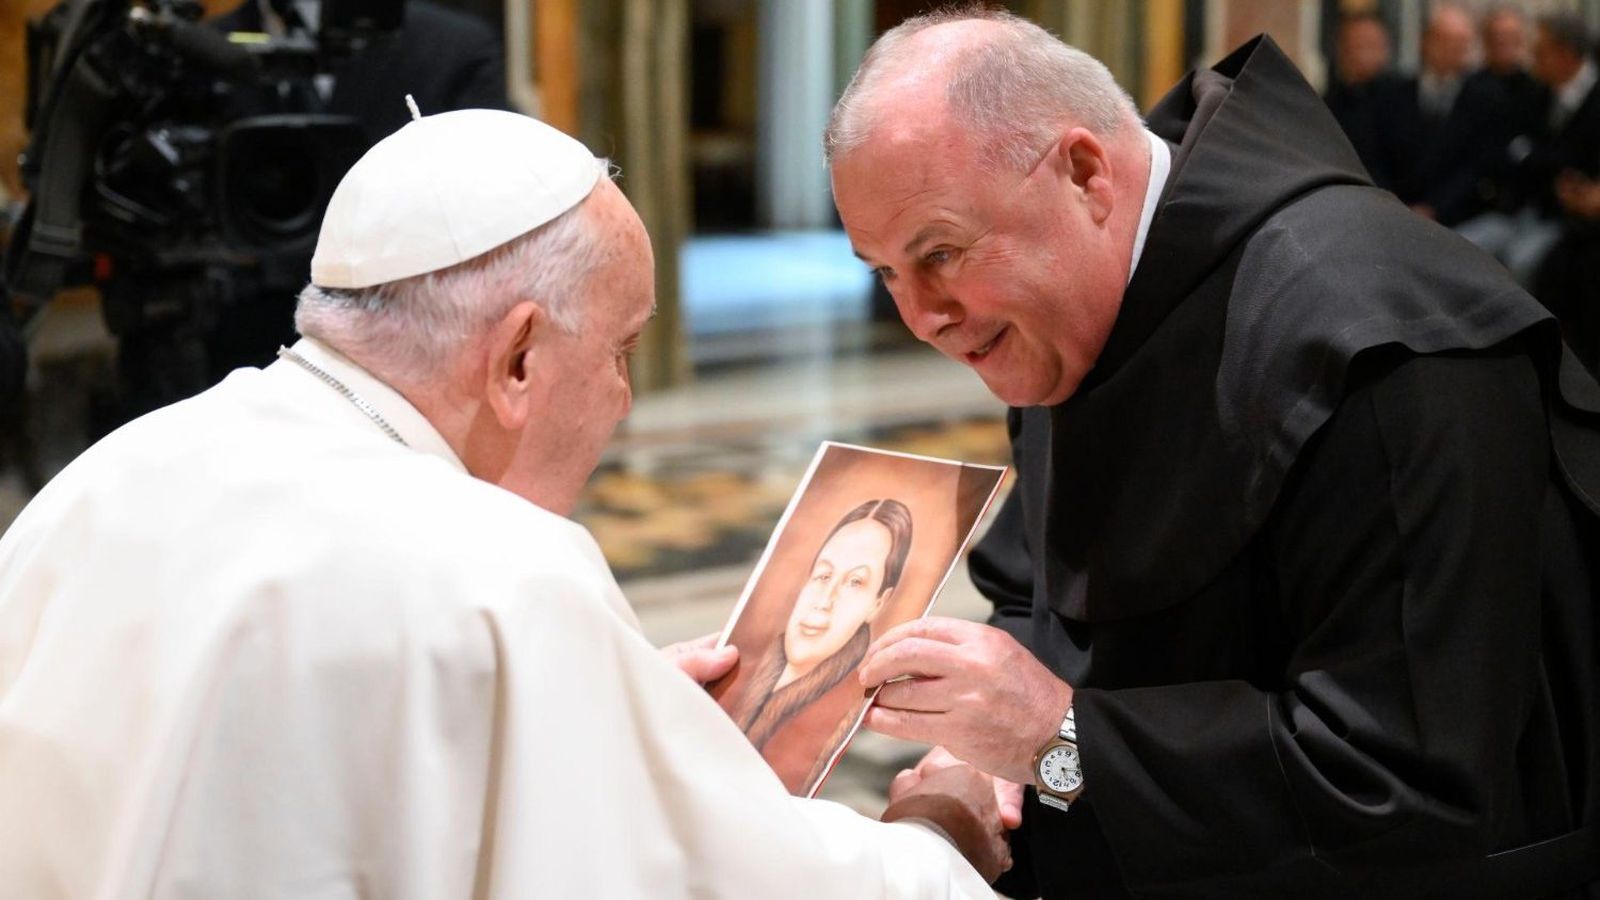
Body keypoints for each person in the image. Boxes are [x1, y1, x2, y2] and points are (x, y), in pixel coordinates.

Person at [0, 109, 1010, 896]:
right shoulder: (499, 573)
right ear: (519, 357)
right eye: (619, 352)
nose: (619, 400)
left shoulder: (108, 477)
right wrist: (938, 836)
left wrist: (590, 700)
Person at [826, 7, 1600, 898]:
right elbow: (1038, 599)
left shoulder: (1387, 346)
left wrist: (1057, 738)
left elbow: (1404, 779)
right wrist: (988, 754)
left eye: (942, 253)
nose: (921, 317)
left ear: (1084, 173)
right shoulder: (1067, 312)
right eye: (885, 270)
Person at [1458, 13, 1600, 285]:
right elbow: (1518, 152)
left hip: (1569, 225)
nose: (1533, 56)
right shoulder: (1537, 94)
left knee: (1519, 262)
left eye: (1542, 49)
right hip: (1523, 211)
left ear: (1566, 54)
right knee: (1462, 245)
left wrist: (1539, 160)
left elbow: (1560, 164)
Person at [1387, 4, 1508, 225]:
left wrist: (1435, 208)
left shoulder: (1484, 99)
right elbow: (1382, 153)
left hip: (1457, 217)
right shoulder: (1395, 94)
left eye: (1462, 44)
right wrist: (1392, 202)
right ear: (1426, 41)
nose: (1454, 50)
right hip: (1395, 211)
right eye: (1446, 41)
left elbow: (1477, 167)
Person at [1323, 12, 1405, 191]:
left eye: (1370, 45)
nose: (1361, 53)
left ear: (1385, 50)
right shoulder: (1329, 102)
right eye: (1355, 45)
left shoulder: (1402, 100)